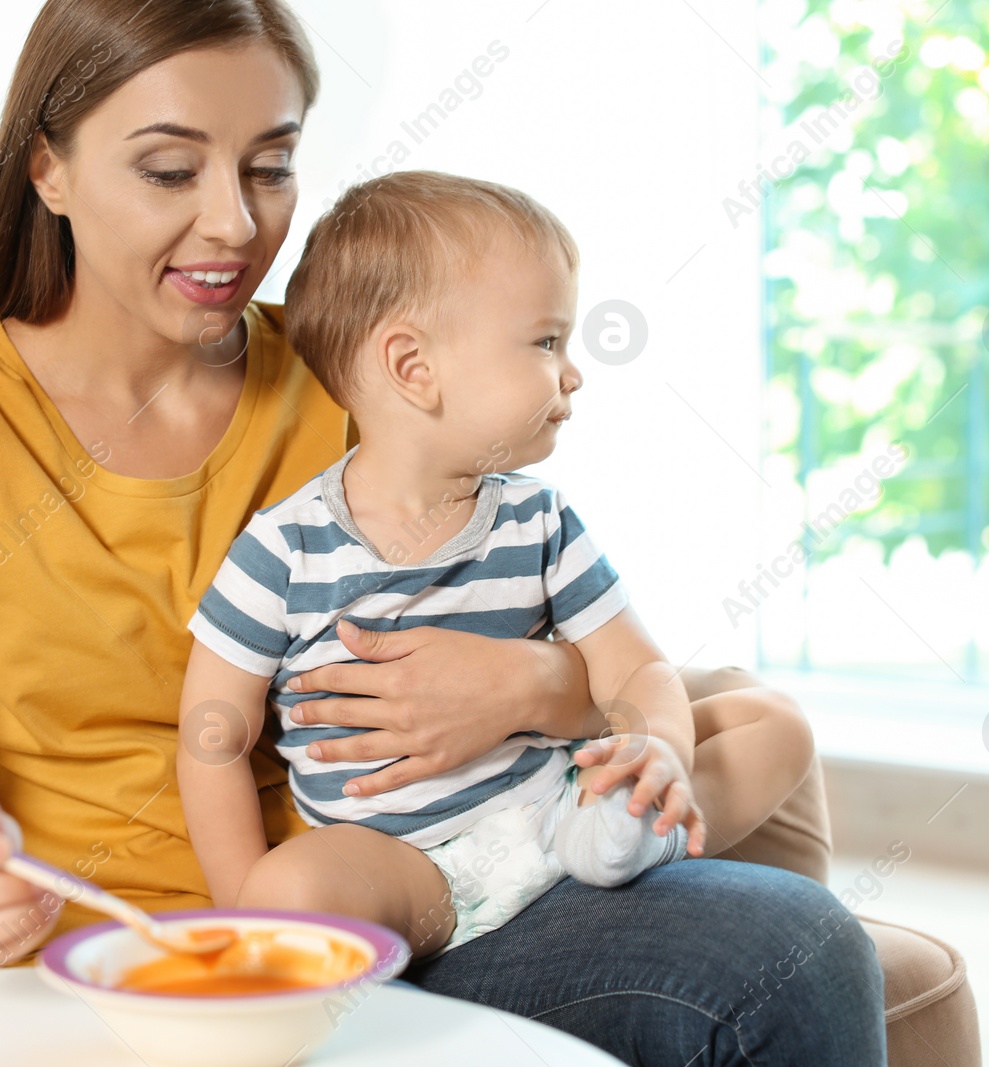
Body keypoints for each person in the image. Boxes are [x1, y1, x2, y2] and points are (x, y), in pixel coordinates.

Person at [0, 0, 886, 1061]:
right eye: (169, 169)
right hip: (164, 964)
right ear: (46, 167)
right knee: (784, 955)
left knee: (786, 910)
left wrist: (533, 686)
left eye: (270, 165)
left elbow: (545, 601)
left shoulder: (338, 371)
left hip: (418, 911)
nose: (236, 221)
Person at [177, 170, 818, 961]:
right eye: (548, 341)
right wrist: (245, 905)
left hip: (559, 809)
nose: (573, 372)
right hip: (409, 871)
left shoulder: (540, 518)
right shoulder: (281, 550)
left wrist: (658, 755)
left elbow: (636, 671)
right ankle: (328, 941)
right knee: (287, 891)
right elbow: (214, 741)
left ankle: (632, 829)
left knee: (778, 726)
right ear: (414, 367)